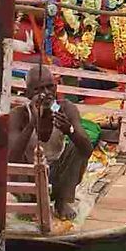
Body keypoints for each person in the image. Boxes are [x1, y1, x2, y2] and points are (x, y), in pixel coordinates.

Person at [9, 65, 94, 220]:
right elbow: (11, 158)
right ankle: (27, 201)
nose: (45, 94)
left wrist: (70, 131)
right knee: (8, 156)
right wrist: (31, 124)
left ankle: (61, 201)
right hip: (29, 175)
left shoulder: (65, 108)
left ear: (56, 88)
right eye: (38, 90)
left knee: (78, 145)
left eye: (49, 87)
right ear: (28, 94)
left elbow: (87, 149)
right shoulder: (19, 115)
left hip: (56, 175)